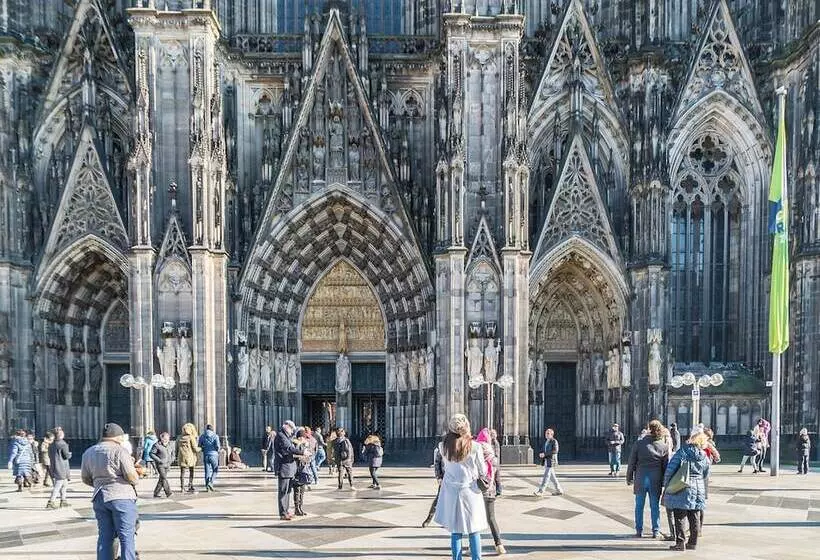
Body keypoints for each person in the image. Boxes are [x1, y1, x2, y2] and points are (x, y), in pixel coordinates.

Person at [81, 422, 139, 560]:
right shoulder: (120, 451)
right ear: (117, 437)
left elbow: (85, 478)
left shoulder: (88, 452)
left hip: (100, 496)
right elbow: (131, 476)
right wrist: (136, 477)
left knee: (105, 537)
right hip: (122, 496)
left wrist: (100, 483)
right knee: (126, 537)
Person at [434, 414, 488, 560]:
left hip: (451, 491)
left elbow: (443, 466)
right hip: (470, 490)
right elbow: (483, 470)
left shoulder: (442, 446)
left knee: (455, 530)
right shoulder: (475, 446)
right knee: (474, 529)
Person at [663, 432, 711, 552]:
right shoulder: (704, 455)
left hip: (682, 486)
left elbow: (670, 469)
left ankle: (680, 543)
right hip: (698, 487)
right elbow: (706, 474)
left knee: (679, 515)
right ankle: (693, 542)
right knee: (694, 515)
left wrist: (667, 484)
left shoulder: (682, 452)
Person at [626, 419, 669, 538]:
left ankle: (639, 530)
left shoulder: (639, 443)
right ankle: (656, 530)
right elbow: (665, 466)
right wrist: (665, 482)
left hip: (641, 477)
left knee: (639, 505)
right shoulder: (663, 446)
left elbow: (632, 462)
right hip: (655, 478)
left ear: (649, 429)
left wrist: (629, 477)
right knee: (655, 506)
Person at [476, 428, 506, 555]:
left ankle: (473, 547)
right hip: (490, 490)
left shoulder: (475, 453)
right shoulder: (493, 457)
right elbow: (496, 472)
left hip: (477, 491)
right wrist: (498, 486)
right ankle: (499, 545)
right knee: (491, 518)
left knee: (475, 520)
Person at [273, 420, 304, 520]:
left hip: (289, 467)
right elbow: (288, 448)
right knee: (283, 491)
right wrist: (303, 452)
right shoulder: (281, 435)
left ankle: (286, 511)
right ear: (286, 426)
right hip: (284, 467)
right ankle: (283, 513)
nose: (292, 431)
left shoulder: (286, 436)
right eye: (291, 429)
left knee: (287, 491)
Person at [46, 427, 72, 509]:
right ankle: (51, 502)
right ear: (61, 435)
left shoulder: (52, 445)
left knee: (64, 485)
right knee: (58, 486)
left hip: (55, 466)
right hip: (62, 468)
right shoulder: (63, 444)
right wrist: (70, 454)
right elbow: (66, 456)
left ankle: (63, 500)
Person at [422, 439, 445, 528]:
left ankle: (447, 521)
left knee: (453, 502)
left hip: (457, 480)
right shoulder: (443, 446)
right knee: (438, 499)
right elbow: (437, 462)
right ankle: (429, 518)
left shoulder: (463, 444)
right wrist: (438, 477)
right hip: (445, 478)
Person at [534, 428, 563, 496]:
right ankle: (559, 490)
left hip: (551, 461)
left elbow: (555, 451)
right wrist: (542, 454)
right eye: (546, 433)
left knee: (546, 476)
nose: (546, 435)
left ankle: (541, 491)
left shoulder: (554, 441)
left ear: (552, 434)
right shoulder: (546, 442)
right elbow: (545, 451)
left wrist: (545, 454)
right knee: (552, 477)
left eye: (548, 433)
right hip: (547, 461)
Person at [292, 428, 313, 516]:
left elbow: (310, 455)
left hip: (303, 469)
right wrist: (301, 456)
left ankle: (300, 507)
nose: (304, 439)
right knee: (297, 490)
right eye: (303, 437)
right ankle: (297, 508)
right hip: (296, 470)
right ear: (299, 437)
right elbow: (292, 455)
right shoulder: (294, 444)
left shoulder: (305, 445)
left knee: (302, 490)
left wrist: (307, 457)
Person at [149, 432, 174, 498]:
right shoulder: (157, 445)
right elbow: (151, 454)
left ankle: (156, 493)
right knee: (164, 478)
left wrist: (172, 460)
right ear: (161, 438)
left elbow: (173, 453)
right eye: (165, 439)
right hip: (160, 465)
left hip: (168, 464)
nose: (166, 440)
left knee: (161, 479)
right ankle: (168, 493)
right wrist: (159, 460)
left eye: (168, 439)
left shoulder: (170, 445)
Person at [177, 423, 200, 493]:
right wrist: (201, 448)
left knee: (182, 473)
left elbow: (176, 448)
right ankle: (190, 485)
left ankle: (182, 487)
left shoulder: (179, 437)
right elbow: (195, 449)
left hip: (181, 457)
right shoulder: (191, 437)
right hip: (190, 457)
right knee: (191, 471)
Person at [198, 424, 221, 492]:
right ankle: (211, 482)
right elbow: (217, 446)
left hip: (206, 455)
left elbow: (199, 445)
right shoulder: (215, 436)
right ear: (212, 429)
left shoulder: (202, 436)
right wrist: (217, 450)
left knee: (207, 471)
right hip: (214, 455)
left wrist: (204, 449)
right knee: (215, 470)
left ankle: (207, 487)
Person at [489, 429, 503, 496]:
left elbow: (496, 453)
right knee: (494, 477)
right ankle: (496, 490)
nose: (492, 435)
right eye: (491, 434)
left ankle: (499, 490)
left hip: (495, 461)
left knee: (496, 477)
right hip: (492, 461)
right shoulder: (491, 442)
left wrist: (495, 457)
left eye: (493, 434)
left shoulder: (495, 443)